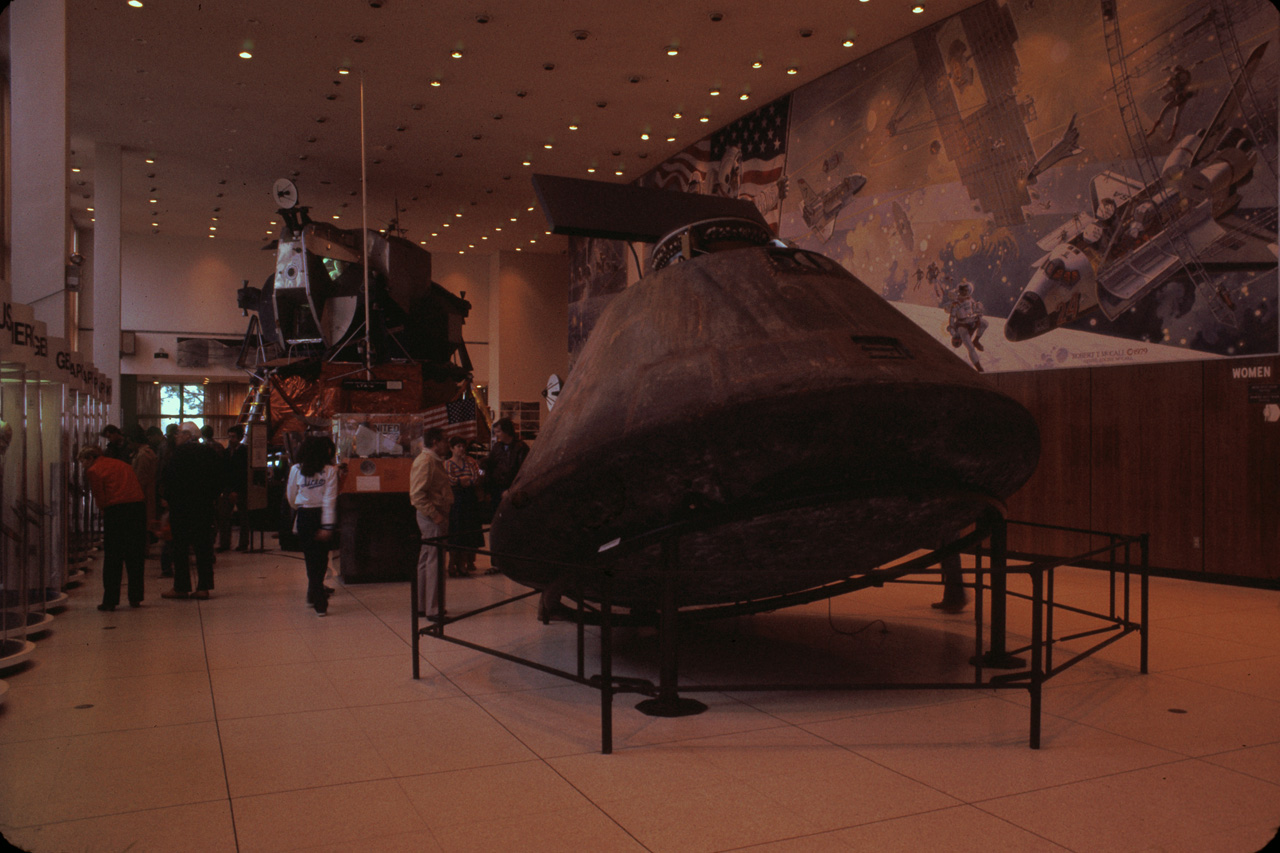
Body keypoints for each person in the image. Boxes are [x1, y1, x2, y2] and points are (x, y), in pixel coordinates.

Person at [80, 444, 147, 611]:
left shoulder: (94, 470)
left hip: (116, 510)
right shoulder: (122, 464)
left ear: (90, 458)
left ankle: (110, 600)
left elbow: (99, 495)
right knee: (135, 555)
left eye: (82, 461)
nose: (82, 465)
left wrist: (103, 511)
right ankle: (135, 597)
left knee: (113, 557)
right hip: (137, 508)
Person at [160, 422, 222, 600]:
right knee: (203, 547)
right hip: (203, 506)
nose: (176, 436)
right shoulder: (209, 452)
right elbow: (218, 478)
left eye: (179, 433)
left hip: (181, 507)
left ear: (187, 435)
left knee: (180, 548)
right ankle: (203, 587)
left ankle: (181, 586)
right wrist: (211, 498)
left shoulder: (178, 454)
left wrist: (168, 500)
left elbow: (169, 479)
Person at [287, 435, 340, 616]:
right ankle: (318, 598)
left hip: (305, 515)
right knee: (320, 558)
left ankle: (314, 593)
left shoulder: (296, 469)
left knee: (311, 559)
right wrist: (327, 526)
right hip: (319, 515)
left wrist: (301, 506)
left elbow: (291, 496)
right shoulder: (330, 471)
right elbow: (329, 500)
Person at [409, 427, 453, 619]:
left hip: (433, 515)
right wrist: (435, 515)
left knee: (427, 560)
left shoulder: (432, 461)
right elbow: (417, 495)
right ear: (435, 442)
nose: (447, 444)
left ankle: (422, 605)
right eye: (445, 440)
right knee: (435, 562)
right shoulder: (426, 461)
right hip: (432, 516)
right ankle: (434, 608)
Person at [444, 436, 486, 576]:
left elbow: (477, 474)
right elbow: (449, 479)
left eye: (463, 446)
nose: (461, 449)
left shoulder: (470, 461)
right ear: (452, 448)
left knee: (468, 531)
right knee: (456, 531)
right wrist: (460, 480)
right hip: (456, 499)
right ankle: (452, 563)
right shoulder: (447, 463)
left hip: (469, 498)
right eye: (458, 446)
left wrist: (468, 480)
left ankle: (464, 563)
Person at [483, 417, 529, 519]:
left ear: (507, 431)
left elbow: (524, 471)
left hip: (513, 491)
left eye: (498, 432)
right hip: (497, 490)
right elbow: (490, 466)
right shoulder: (497, 447)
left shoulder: (521, 447)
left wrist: (511, 489)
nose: (496, 435)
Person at [946, 280, 989, 373]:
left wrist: (979, 311)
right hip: (962, 326)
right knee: (970, 348)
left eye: (966, 290)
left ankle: (976, 340)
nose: (964, 292)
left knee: (985, 324)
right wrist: (953, 332)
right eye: (962, 290)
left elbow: (975, 309)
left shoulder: (970, 299)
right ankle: (979, 369)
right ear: (959, 291)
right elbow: (952, 318)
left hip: (972, 321)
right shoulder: (956, 303)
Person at [129, 425, 160, 546]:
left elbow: (140, 477)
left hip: (143, 492)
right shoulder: (147, 452)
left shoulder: (143, 455)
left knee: (143, 521)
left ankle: (143, 547)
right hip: (148, 491)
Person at [222, 424, 251, 551]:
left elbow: (242, 473)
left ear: (239, 438)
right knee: (225, 516)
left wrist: (236, 490)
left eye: (233, 437)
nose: (230, 439)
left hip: (240, 489)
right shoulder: (227, 452)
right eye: (229, 437)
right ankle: (225, 543)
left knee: (243, 517)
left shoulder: (244, 452)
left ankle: (243, 543)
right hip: (229, 488)